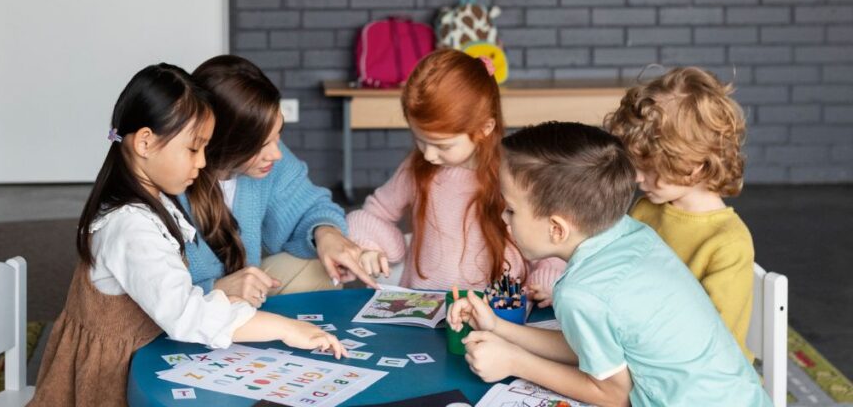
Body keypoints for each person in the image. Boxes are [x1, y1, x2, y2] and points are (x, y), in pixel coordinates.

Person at [30, 64, 344, 407]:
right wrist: (287, 329)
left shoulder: (153, 201)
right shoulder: (131, 226)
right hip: (114, 376)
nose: (202, 162)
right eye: (194, 150)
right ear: (146, 143)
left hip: (148, 354)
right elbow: (187, 315)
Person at [447, 122, 770, 406]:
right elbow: (597, 346)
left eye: (512, 210)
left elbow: (614, 395)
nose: (503, 219)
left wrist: (515, 362)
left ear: (557, 229)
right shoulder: (633, 234)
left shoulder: (582, 293)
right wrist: (499, 328)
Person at [347, 49, 564, 296]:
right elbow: (374, 214)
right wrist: (368, 248)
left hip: (495, 312)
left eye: (443, 146)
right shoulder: (417, 167)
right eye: (420, 140)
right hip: (425, 305)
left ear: (484, 128)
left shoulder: (515, 174)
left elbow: (549, 238)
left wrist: (548, 279)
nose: (428, 155)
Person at [182, 55, 378, 308]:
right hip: (192, 307)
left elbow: (310, 205)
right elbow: (161, 292)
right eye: (261, 145)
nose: (276, 154)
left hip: (245, 295)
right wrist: (217, 290)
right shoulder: (174, 180)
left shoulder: (270, 161)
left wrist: (325, 233)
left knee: (320, 265)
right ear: (222, 143)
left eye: (277, 135)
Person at [605, 66, 754, 359]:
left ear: (693, 164)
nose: (636, 178)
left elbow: (713, 342)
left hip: (704, 378)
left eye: (649, 168)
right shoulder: (647, 209)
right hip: (644, 349)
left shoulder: (728, 244)